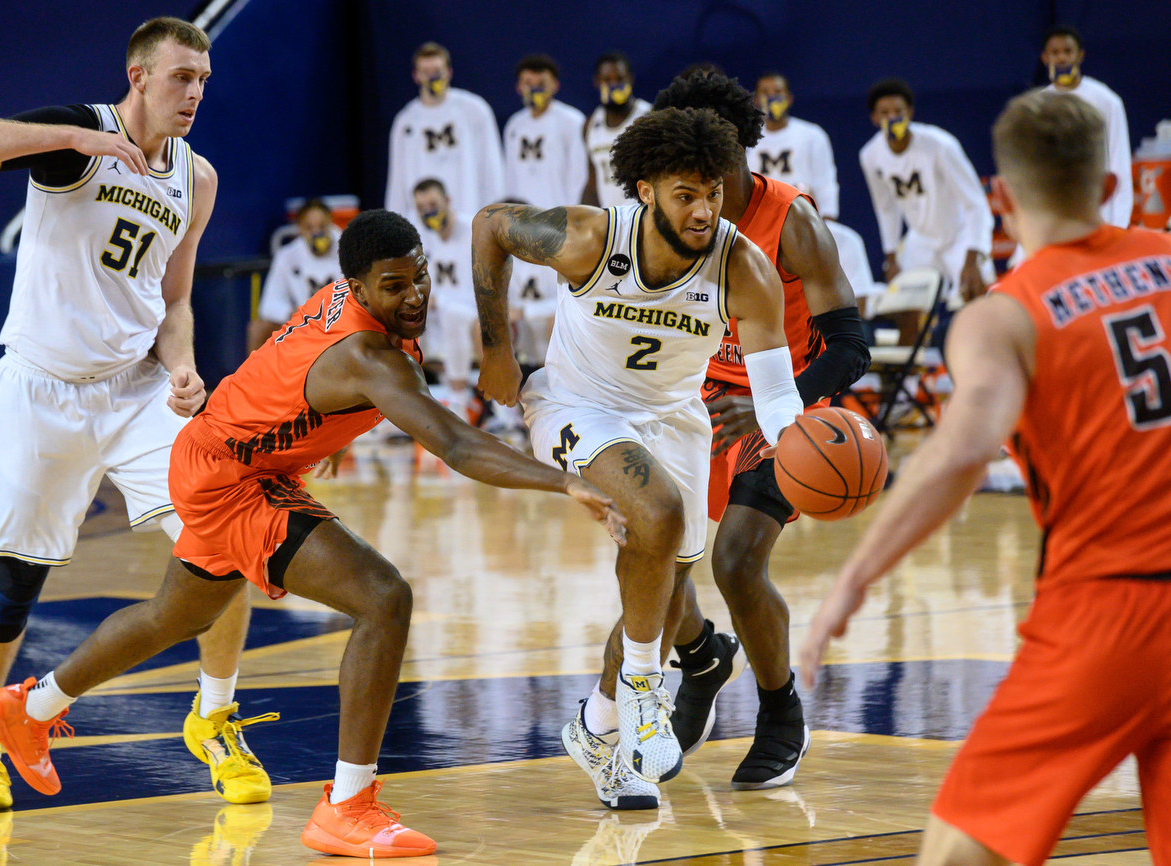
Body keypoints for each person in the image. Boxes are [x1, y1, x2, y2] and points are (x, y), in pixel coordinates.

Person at [0, 210, 628, 858]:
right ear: (358, 288)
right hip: (231, 478)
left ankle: (25, 708)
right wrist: (560, 481)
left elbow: (284, 361)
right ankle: (347, 806)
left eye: (420, 278)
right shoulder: (368, 358)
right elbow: (455, 442)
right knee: (384, 597)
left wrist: (323, 435)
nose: (414, 296)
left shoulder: (349, 299)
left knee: (173, 615)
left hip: (214, 451)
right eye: (394, 286)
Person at [800, 91, 1171, 866]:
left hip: (1110, 608)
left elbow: (965, 450)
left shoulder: (1004, 315)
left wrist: (853, 581)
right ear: (1109, 187)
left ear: (1000, 199)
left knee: (958, 852)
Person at [0, 17, 269, 812]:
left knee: (226, 539)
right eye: (182, 76)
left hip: (135, 390)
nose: (195, 93)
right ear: (139, 75)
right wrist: (77, 144)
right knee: (13, 586)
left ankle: (215, 717)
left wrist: (183, 366)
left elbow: (174, 299)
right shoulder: (79, 133)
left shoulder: (197, 177)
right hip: (40, 388)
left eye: (205, 80)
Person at [473, 106, 804, 810]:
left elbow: (777, 398)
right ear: (645, 189)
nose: (704, 211)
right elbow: (490, 226)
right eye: (686, 194)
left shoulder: (744, 267)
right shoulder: (591, 237)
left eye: (713, 194)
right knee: (657, 511)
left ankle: (598, 728)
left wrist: (799, 443)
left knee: (664, 585)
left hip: (673, 419)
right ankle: (646, 693)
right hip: (573, 403)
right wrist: (496, 351)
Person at [651, 69, 869, 789]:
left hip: (784, 405)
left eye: (714, 164)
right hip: (695, 396)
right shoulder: (670, 218)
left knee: (737, 561)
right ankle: (702, 658)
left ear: (741, 148)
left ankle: (781, 712)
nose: (701, 185)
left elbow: (851, 345)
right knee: (651, 554)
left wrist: (784, 407)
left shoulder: (792, 220)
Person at [860, 78, 994, 308]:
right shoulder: (870, 155)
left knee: (974, 298)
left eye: (898, 111)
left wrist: (972, 257)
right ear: (874, 118)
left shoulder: (940, 145)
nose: (892, 118)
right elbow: (886, 208)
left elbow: (976, 203)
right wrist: (890, 257)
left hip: (959, 236)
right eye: (884, 112)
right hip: (920, 239)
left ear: (910, 112)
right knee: (905, 307)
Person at [385, 42, 504, 222]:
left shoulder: (474, 110)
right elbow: (397, 182)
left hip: (469, 215)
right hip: (422, 225)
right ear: (415, 76)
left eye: (437, 71)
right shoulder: (406, 121)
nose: (432, 77)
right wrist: (393, 226)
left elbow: (493, 170)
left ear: (449, 72)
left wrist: (497, 219)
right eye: (425, 71)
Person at [1041, 26, 1132, 228]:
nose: (1062, 58)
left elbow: (1120, 164)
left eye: (1068, 51)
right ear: (1045, 58)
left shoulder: (1107, 101)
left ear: (1080, 55)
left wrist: (1119, 225)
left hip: (1098, 213)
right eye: (1055, 52)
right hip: (1053, 216)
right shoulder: (1037, 106)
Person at [412, 178, 477, 418]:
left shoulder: (474, 229)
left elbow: (486, 285)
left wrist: (439, 299)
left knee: (454, 315)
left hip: (477, 308)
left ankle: (459, 402)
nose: (428, 212)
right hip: (439, 312)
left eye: (433, 204)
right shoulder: (421, 239)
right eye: (421, 208)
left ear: (447, 201)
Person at [247, 198, 341, 352]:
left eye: (322, 226)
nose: (317, 233)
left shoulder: (347, 248)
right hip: (301, 323)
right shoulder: (287, 256)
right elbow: (268, 306)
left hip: (340, 321)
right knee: (258, 328)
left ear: (331, 223)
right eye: (310, 227)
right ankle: (251, 376)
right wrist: (291, 313)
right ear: (299, 229)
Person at [747, 72, 840, 221]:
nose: (772, 97)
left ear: (789, 98)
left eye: (777, 92)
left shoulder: (812, 135)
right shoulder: (747, 138)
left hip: (804, 217)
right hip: (762, 220)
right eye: (765, 92)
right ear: (756, 100)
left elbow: (826, 180)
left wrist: (828, 218)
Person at [503, 54, 588, 209]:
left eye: (542, 83)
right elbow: (510, 177)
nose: (535, 89)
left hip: (560, 215)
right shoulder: (514, 125)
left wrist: (571, 213)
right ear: (519, 87)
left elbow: (579, 175)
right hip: (524, 218)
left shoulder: (573, 121)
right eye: (528, 83)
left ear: (555, 85)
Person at [581, 51, 653, 207]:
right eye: (607, 80)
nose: (614, 85)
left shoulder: (650, 117)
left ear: (630, 79)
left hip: (645, 218)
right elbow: (593, 182)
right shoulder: (590, 125)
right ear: (597, 82)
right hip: (612, 221)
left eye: (619, 79)